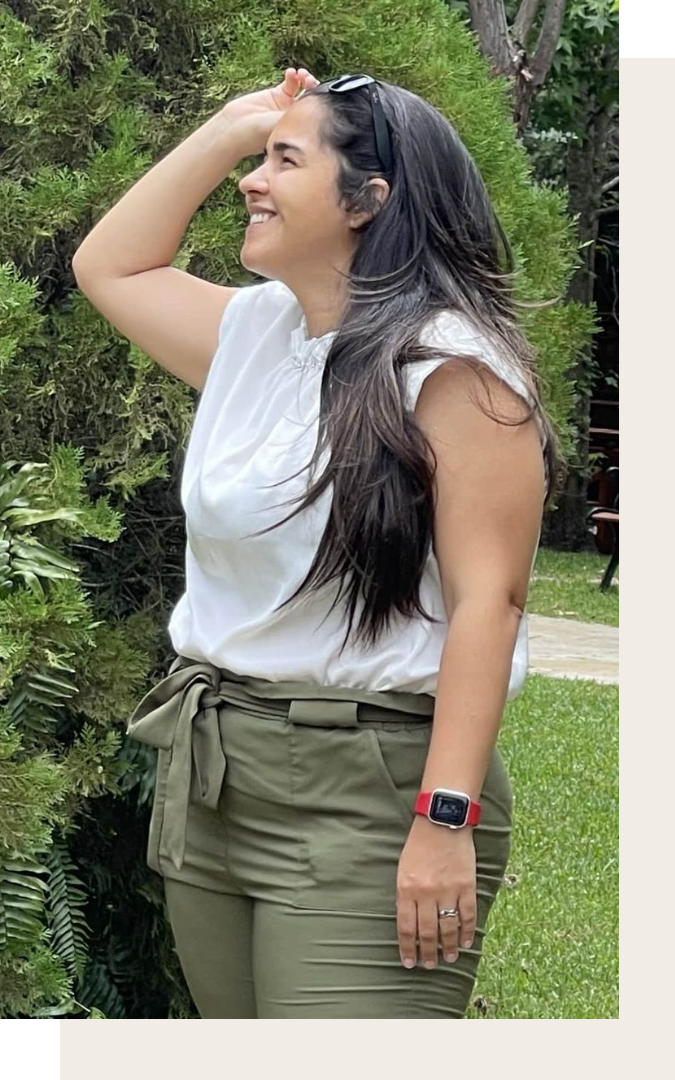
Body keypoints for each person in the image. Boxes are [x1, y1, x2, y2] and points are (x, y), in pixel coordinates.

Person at [72, 67, 561, 1019]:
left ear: (366, 201)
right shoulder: (256, 333)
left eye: (283, 162)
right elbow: (110, 266)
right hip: (216, 773)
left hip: (371, 791)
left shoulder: (452, 369)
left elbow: (488, 603)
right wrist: (231, 128)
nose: (252, 182)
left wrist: (444, 819)